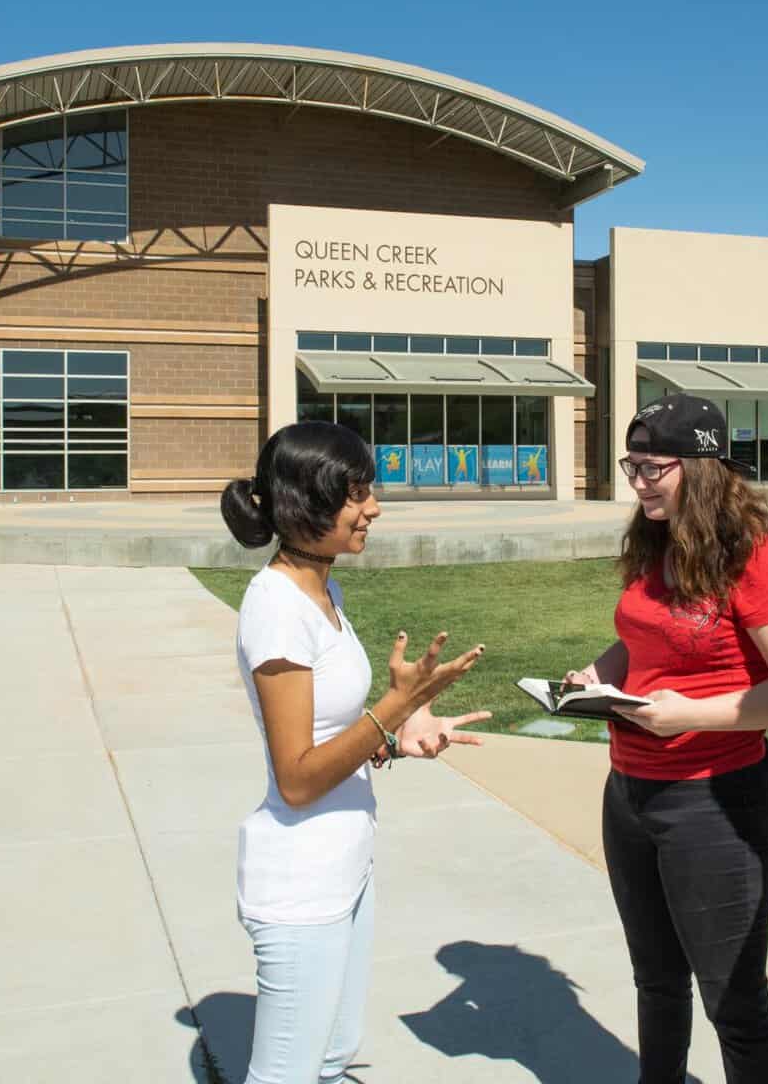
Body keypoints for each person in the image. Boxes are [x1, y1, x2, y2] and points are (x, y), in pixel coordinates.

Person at [564, 393, 768, 1084]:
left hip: (716, 802)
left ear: (702, 467)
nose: (640, 482)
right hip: (630, 793)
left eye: (654, 467)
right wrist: (601, 671)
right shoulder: (660, 541)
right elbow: (644, 638)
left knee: (733, 1001)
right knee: (656, 982)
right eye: (633, 466)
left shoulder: (756, 560)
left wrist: (691, 715)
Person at [220, 420, 490, 1084]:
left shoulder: (323, 590)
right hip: (301, 881)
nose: (372, 508)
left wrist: (397, 739)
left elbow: (332, 742)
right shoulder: (278, 608)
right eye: (354, 494)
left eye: (369, 491)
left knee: (333, 1060)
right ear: (303, 503)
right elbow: (298, 780)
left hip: (345, 862)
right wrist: (394, 706)